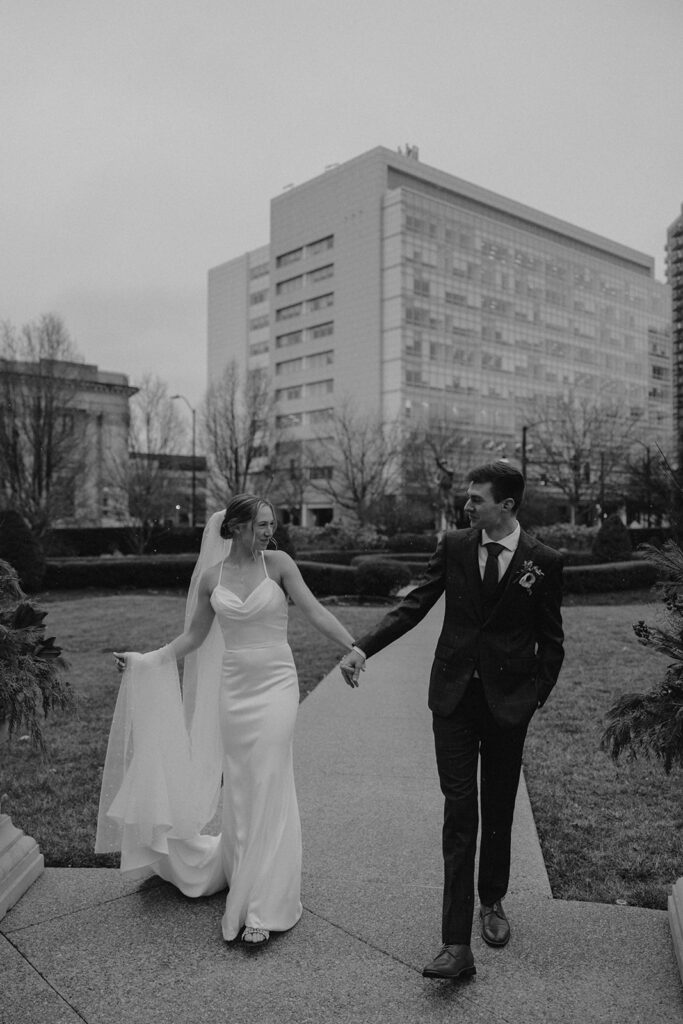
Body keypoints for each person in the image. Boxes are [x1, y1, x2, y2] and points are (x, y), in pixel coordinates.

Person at [96, 494, 361, 950]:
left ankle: (264, 904)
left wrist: (353, 645)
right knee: (240, 786)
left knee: (270, 779)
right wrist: (145, 661)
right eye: (261, 524)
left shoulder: (278, 564)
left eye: (270, 524)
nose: (268, 532)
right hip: (234, 690)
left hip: (277, 683)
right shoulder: (211, 578)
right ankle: (243, 873)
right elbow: (194, 637)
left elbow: (314, 609)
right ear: (235, 526)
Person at [340, 462, 564, 981]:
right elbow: (415, 604)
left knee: (499, 807)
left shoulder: (545, 561)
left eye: (476, 499)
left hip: (509, 706)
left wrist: (534, 697)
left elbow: (552, 640)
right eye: (467, 499)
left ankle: (492, 900)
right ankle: (454, 943)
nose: (467, 506)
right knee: (461, 812)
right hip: (454, 701)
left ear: (507, 506)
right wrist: (362, 648)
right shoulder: (456, 545)